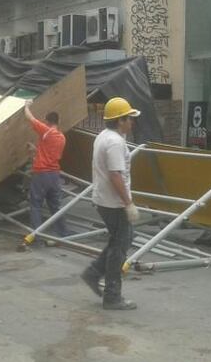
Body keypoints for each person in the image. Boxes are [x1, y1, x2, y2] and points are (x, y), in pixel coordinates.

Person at [80, 97, 141, 311]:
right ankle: (112, 296)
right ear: (120, 120)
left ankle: (94, 272)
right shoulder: (115, 142)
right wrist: (128, 203)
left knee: (120, 240)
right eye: (129, 118)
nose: (131, 122)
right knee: (120, 247)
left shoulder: (103, 136)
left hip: (104, 199)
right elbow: (116, 175)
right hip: (114, 202)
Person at [22, 102, 69, 247]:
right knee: (55, 206)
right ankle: (63, 235)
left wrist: (26, 106)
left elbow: (30, 118)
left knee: (36, 205)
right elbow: (49, 153)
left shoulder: (47, 131)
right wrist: (36, 150)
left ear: (47, 122)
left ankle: (37, 235)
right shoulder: (61, 137)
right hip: (54, 175)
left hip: (41, 174)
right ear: (58, 121)